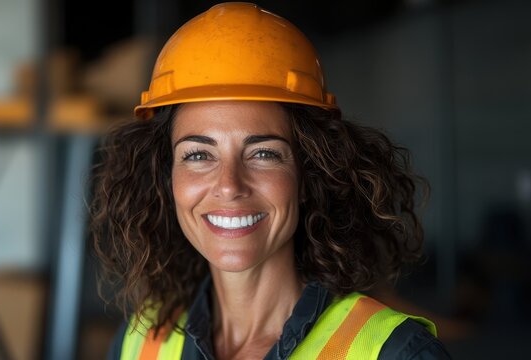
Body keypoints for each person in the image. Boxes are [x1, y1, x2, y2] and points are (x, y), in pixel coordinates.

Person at [91, 2, 451, 359]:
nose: (229, 185)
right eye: (198, 155)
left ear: (310, 174)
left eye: (263, 154)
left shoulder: (396, 353)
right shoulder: (141, 345)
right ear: (165, 177)